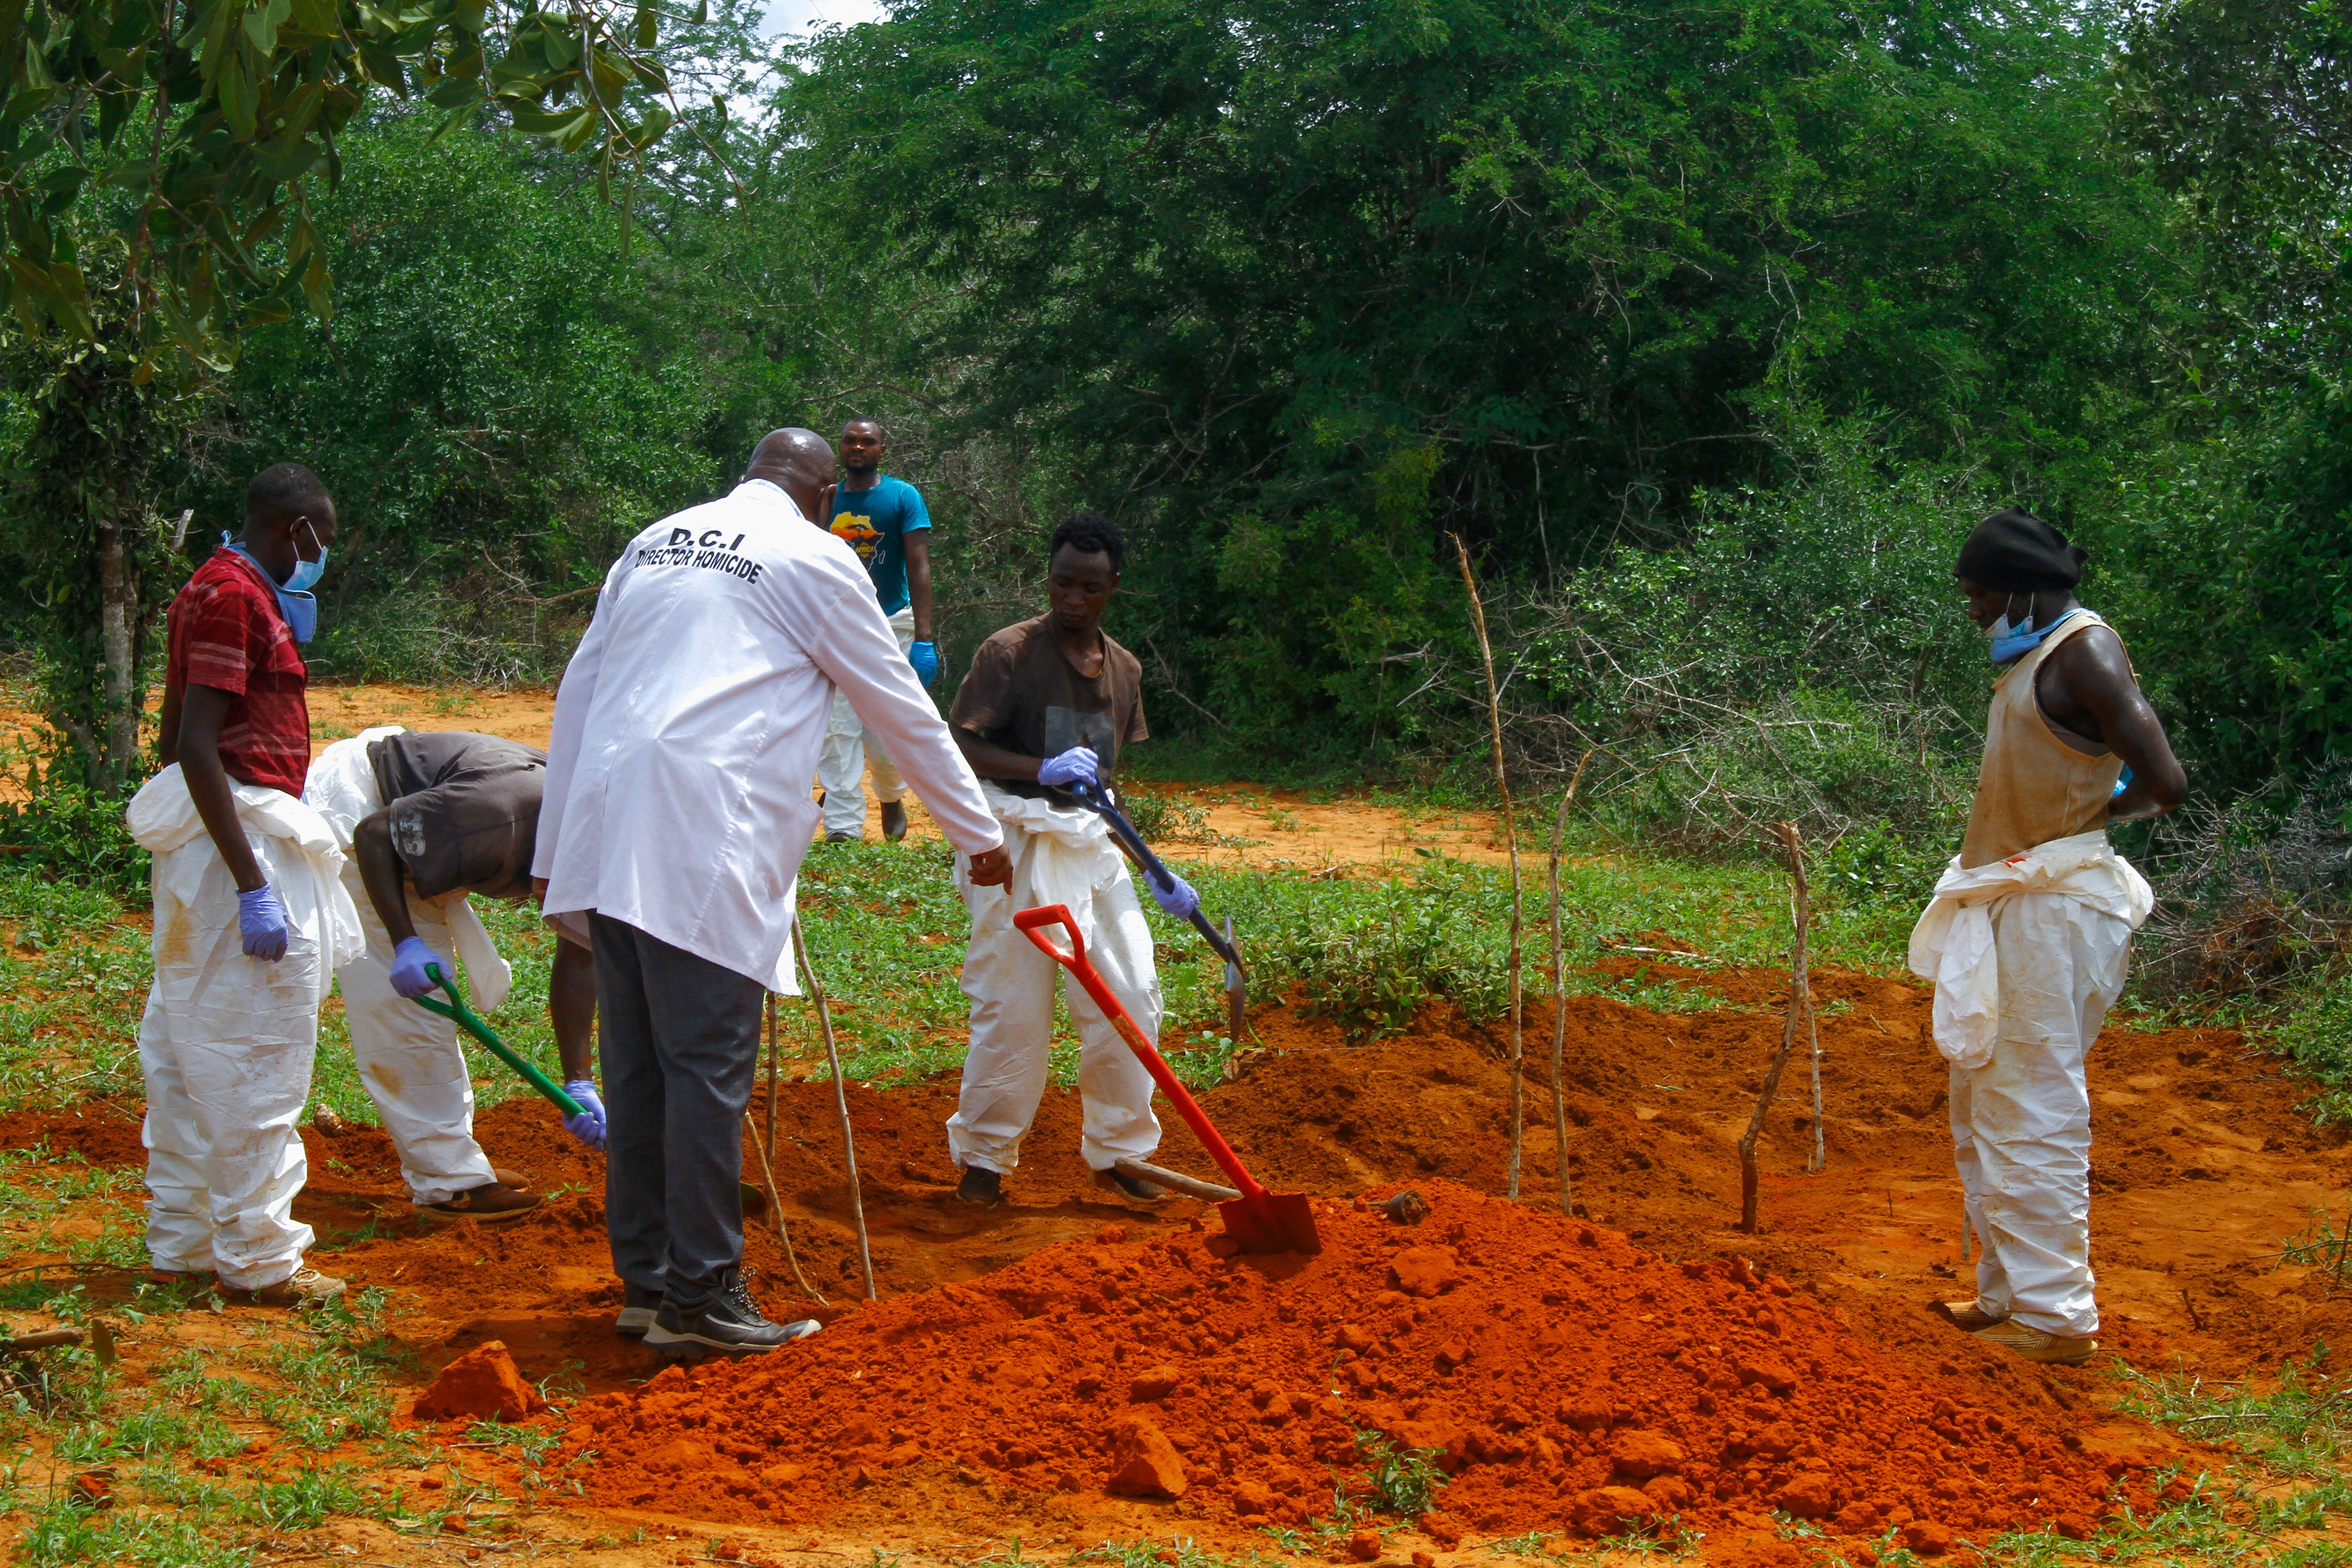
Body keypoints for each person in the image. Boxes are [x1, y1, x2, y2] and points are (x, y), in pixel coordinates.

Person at [534, 428, 1014, 1356]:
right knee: (706, 1072)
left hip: (608, 819)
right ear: (820, 490)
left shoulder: (655, 540)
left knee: (638, 1068)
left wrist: (559, 851)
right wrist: (979, 833)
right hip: (698, 830)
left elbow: (578, 692)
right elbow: (895, 703)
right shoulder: (814, 555)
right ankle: (704, 1294)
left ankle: (648, 1284)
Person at [1909, 508, 2185, 1365]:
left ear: (2023, 587)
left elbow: (2165, 779)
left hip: (2055, 905)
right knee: (1984, 1102)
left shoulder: (2085, 652)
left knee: (2031, 1110)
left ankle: (2057, 1317)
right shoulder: (2034, 657)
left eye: (1981, 592)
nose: (1974, 609)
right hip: (2021, 903)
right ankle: (2008, 1293)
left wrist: (2075, 824)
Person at [124, 463, 362, 1307]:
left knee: (188, 1048)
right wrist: (250, 879)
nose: (321, 558)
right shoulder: (235, 598)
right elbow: (196, 743)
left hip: (213, 841)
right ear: (295, 529)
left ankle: (183, 1242)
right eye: (321, 541)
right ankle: (260, 1258)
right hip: (239, 843)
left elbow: (172, 733)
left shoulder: (208, 588)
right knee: (255, 1051)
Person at [942, 512, 1200, 1209]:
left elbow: (1105, 787)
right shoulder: (1009, 652)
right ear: (1048, 579)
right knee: (1014, 1003)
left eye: (1090, 587)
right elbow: (960, 747)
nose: (1073, 599)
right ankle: (986, 1161)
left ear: (1114, 586)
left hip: (1089, 844)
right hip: (1015, 840)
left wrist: (1152, 865)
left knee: (1132, 992)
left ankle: (1121, 1152)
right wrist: (1040, 768)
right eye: (1062, 583)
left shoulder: (1124, 669)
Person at [305, 728, 605, 1224]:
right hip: (361, 811)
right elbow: (375, 837)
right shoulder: (502, 815)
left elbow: (580, 953)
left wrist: (579, 1083)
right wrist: (404, 941)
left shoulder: (592, 846)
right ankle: (449, 1184)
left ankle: (452, 1162)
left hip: (428, 823)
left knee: (425, 1020)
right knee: (406, 1017)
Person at [815, 417, 937, 843]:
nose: (858, 447)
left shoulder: (903, 496)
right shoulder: (827, 499)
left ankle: (889, 796)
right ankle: (844, 827)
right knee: (836, 727)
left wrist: (925, 638)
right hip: (837, 625)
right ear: (841, 446)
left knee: (885, 728)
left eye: (868, 442)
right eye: (850, 440)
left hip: (890, 624)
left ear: (883, 449)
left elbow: (919, 568)